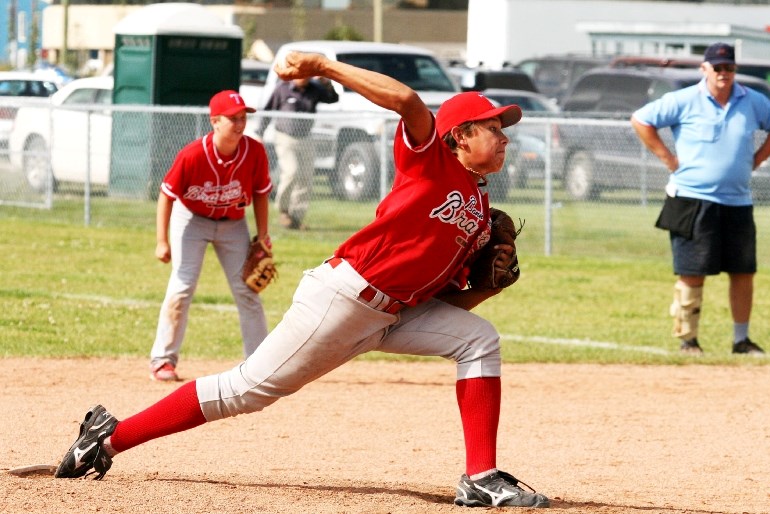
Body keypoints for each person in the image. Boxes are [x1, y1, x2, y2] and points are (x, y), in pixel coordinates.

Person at [54, 52, 550, 509]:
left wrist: (491, 287)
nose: (504, 136)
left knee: (479, 341)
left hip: (392, 315)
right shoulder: (430, 160)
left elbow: (446, 303)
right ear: (460, 135)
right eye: (493, 126)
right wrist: (323, 65)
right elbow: (406, 100)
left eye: (504, 128)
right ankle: (110, 436)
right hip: (343, 299)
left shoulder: (481, 211)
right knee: (245, 391)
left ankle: (480, 477)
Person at [631, 42, 770, 355]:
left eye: (729, 67)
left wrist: (757, 159)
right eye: (717, 68)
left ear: (735, 70)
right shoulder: (685, 99)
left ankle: (741, 340)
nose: (723, 73)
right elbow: (641, 119)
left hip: (738, 200)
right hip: (692, 198)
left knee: (743, 271)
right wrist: (667, 157)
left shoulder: (751, 101)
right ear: (704, 69)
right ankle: (688, 340)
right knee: (692, 270)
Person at [148, 90, 273, 381]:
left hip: (233, 224)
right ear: (215, 121)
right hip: (191, 221)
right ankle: (162, 360)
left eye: (243, 117)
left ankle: (261, 363)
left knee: (247, 290)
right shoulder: (192, 155)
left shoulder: (254, 152)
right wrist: (162, 240)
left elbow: (261, 193)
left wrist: (263, 235)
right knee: (182, 287)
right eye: (233, 119)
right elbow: (166, 196)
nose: (240, 124)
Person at [263, 75, 338, 230]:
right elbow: (268, 110)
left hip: (306, 137)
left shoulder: (315, 88)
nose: (304, 78)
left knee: (305, 177)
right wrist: (259, 132)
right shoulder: (282, 88)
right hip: (285, 137)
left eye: (307, 74)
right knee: (291, 172)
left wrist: (326, 82)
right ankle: (283, 211)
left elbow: (333, 99)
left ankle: (296, 218)